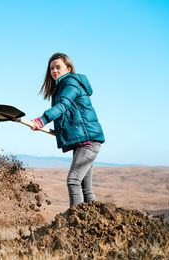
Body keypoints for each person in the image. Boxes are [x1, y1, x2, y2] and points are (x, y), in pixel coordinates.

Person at [31, 53, 105, 207]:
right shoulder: (60, 88)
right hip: (83, 141)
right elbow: (68, 118)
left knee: (73, 181)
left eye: (58, 67)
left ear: (69, 68)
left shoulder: (71, 83)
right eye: (51, 68)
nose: (54, 71)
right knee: (86, 188)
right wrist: (47, 128)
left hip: (88, 142)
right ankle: (94, 222)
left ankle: (75, 224)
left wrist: (42, 119)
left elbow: (63, 106)